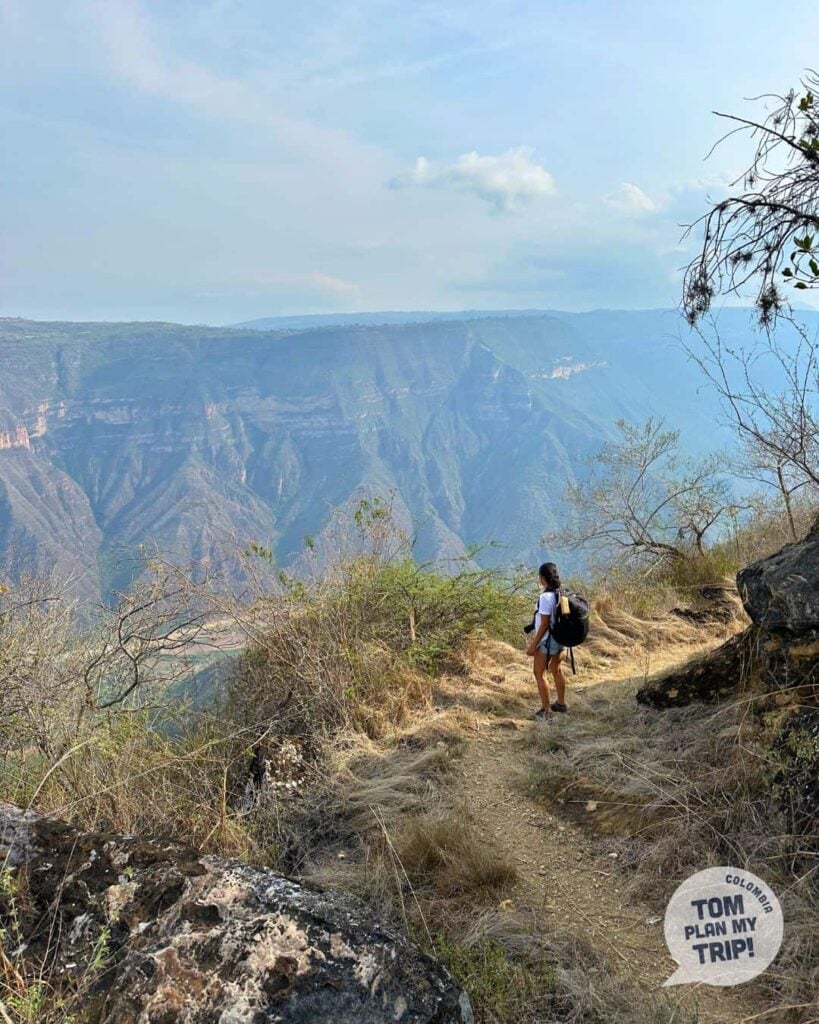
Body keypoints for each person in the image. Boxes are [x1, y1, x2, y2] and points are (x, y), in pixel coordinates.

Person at [525, 562, 568, 719]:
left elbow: (544, 624)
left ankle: (546, 710)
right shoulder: (562, 593)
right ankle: (561, 704)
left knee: (539, 673)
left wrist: (533, 645)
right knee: (557, 669)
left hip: (546, 641)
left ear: (542, 578)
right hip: (561, 638)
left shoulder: (545, 597)